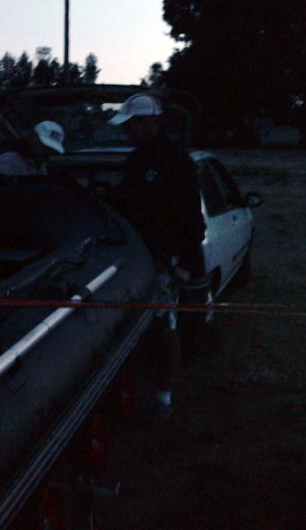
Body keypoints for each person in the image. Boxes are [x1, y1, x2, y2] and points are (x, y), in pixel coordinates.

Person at [107, 93, 206, 420]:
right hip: (133, 258)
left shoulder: (177, 161)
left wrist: (185, 265)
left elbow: (192, 220)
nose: (126, 132)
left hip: (166, 263)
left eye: (132, 125)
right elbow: (125, 204)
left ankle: (163, 398)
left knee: (165, 326)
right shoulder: (134, 162)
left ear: (152, 122)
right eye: (125, 126)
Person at [0, 120, 64, 176]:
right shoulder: (8, 162)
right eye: (44, 146)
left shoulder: (40, 165)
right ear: (32, 138)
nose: (47, 152)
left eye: (51, 149)